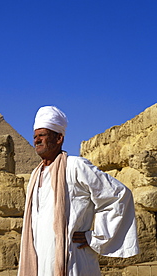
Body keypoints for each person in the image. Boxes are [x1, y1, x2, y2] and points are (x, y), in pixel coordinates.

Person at [18, 106, 139, 276]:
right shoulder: (36, 174)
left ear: (59, 138)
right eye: (35, 136)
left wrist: (96, 237)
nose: (36, 140)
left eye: (42, 135)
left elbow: (118, 195)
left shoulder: (75, 166)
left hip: (73, 260)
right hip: (39, 261)